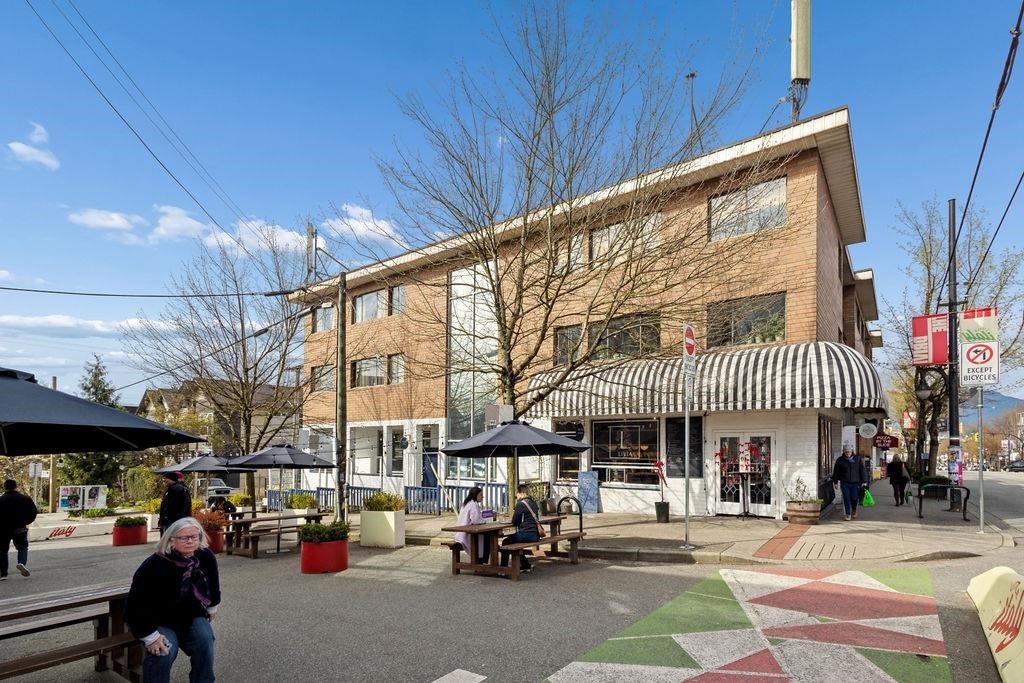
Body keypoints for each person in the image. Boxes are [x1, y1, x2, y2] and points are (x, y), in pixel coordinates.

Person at [126, 517, 221, 683]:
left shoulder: (205, 556)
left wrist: (212, 606)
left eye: (194, 536)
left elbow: (213, 584)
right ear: (171, 540)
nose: (190, 541)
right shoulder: (154, 565)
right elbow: (134, 605)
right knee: (164, 651)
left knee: (205, 640)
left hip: (191, 614)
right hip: (159, 619)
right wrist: (150, 636)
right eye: (184, 538)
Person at [0, 479, 38, 580]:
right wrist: (26, 522)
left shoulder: (1, 500)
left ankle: (3, 574)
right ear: (16, 487)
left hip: (3, 529)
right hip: (20, 527)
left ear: (5, 487)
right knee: (22, 547)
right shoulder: (25, 498)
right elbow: (33, 512)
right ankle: (21, 563)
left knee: (2, 550)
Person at [499, 484, 541, 573]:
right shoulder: (533, 503)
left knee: (505, 542)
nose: (516, 497)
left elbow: (515, 521)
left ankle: (503, 569)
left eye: (516, 495)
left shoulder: (520, 504)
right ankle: (525, 565)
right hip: (535, 535)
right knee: (514, 541)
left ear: (521, 493)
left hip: (526, 535)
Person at [832, 443, 869, 521]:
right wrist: (835, 482)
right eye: (846, 452)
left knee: (854, 498)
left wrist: (864, 481)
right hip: (844, 482)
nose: (848, 453)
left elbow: (862, 470)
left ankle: (854, 509)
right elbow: (836, 471)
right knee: (846, 497)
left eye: (849, 452)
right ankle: (848, 514)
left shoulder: (857, 459)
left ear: (852, 451)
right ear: (843, 452)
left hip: (856, 482)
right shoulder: (840, 460)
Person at [453, 486, 490, 564]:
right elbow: (476, 521)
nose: (482, 496)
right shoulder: (473, 505)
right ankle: (481, 560)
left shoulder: (467, 503)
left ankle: (481, 560)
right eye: (481, 495)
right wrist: (485, 521)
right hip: (467, 533)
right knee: (488, 537)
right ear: (475, 495)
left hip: (461, 532)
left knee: (486, 537)